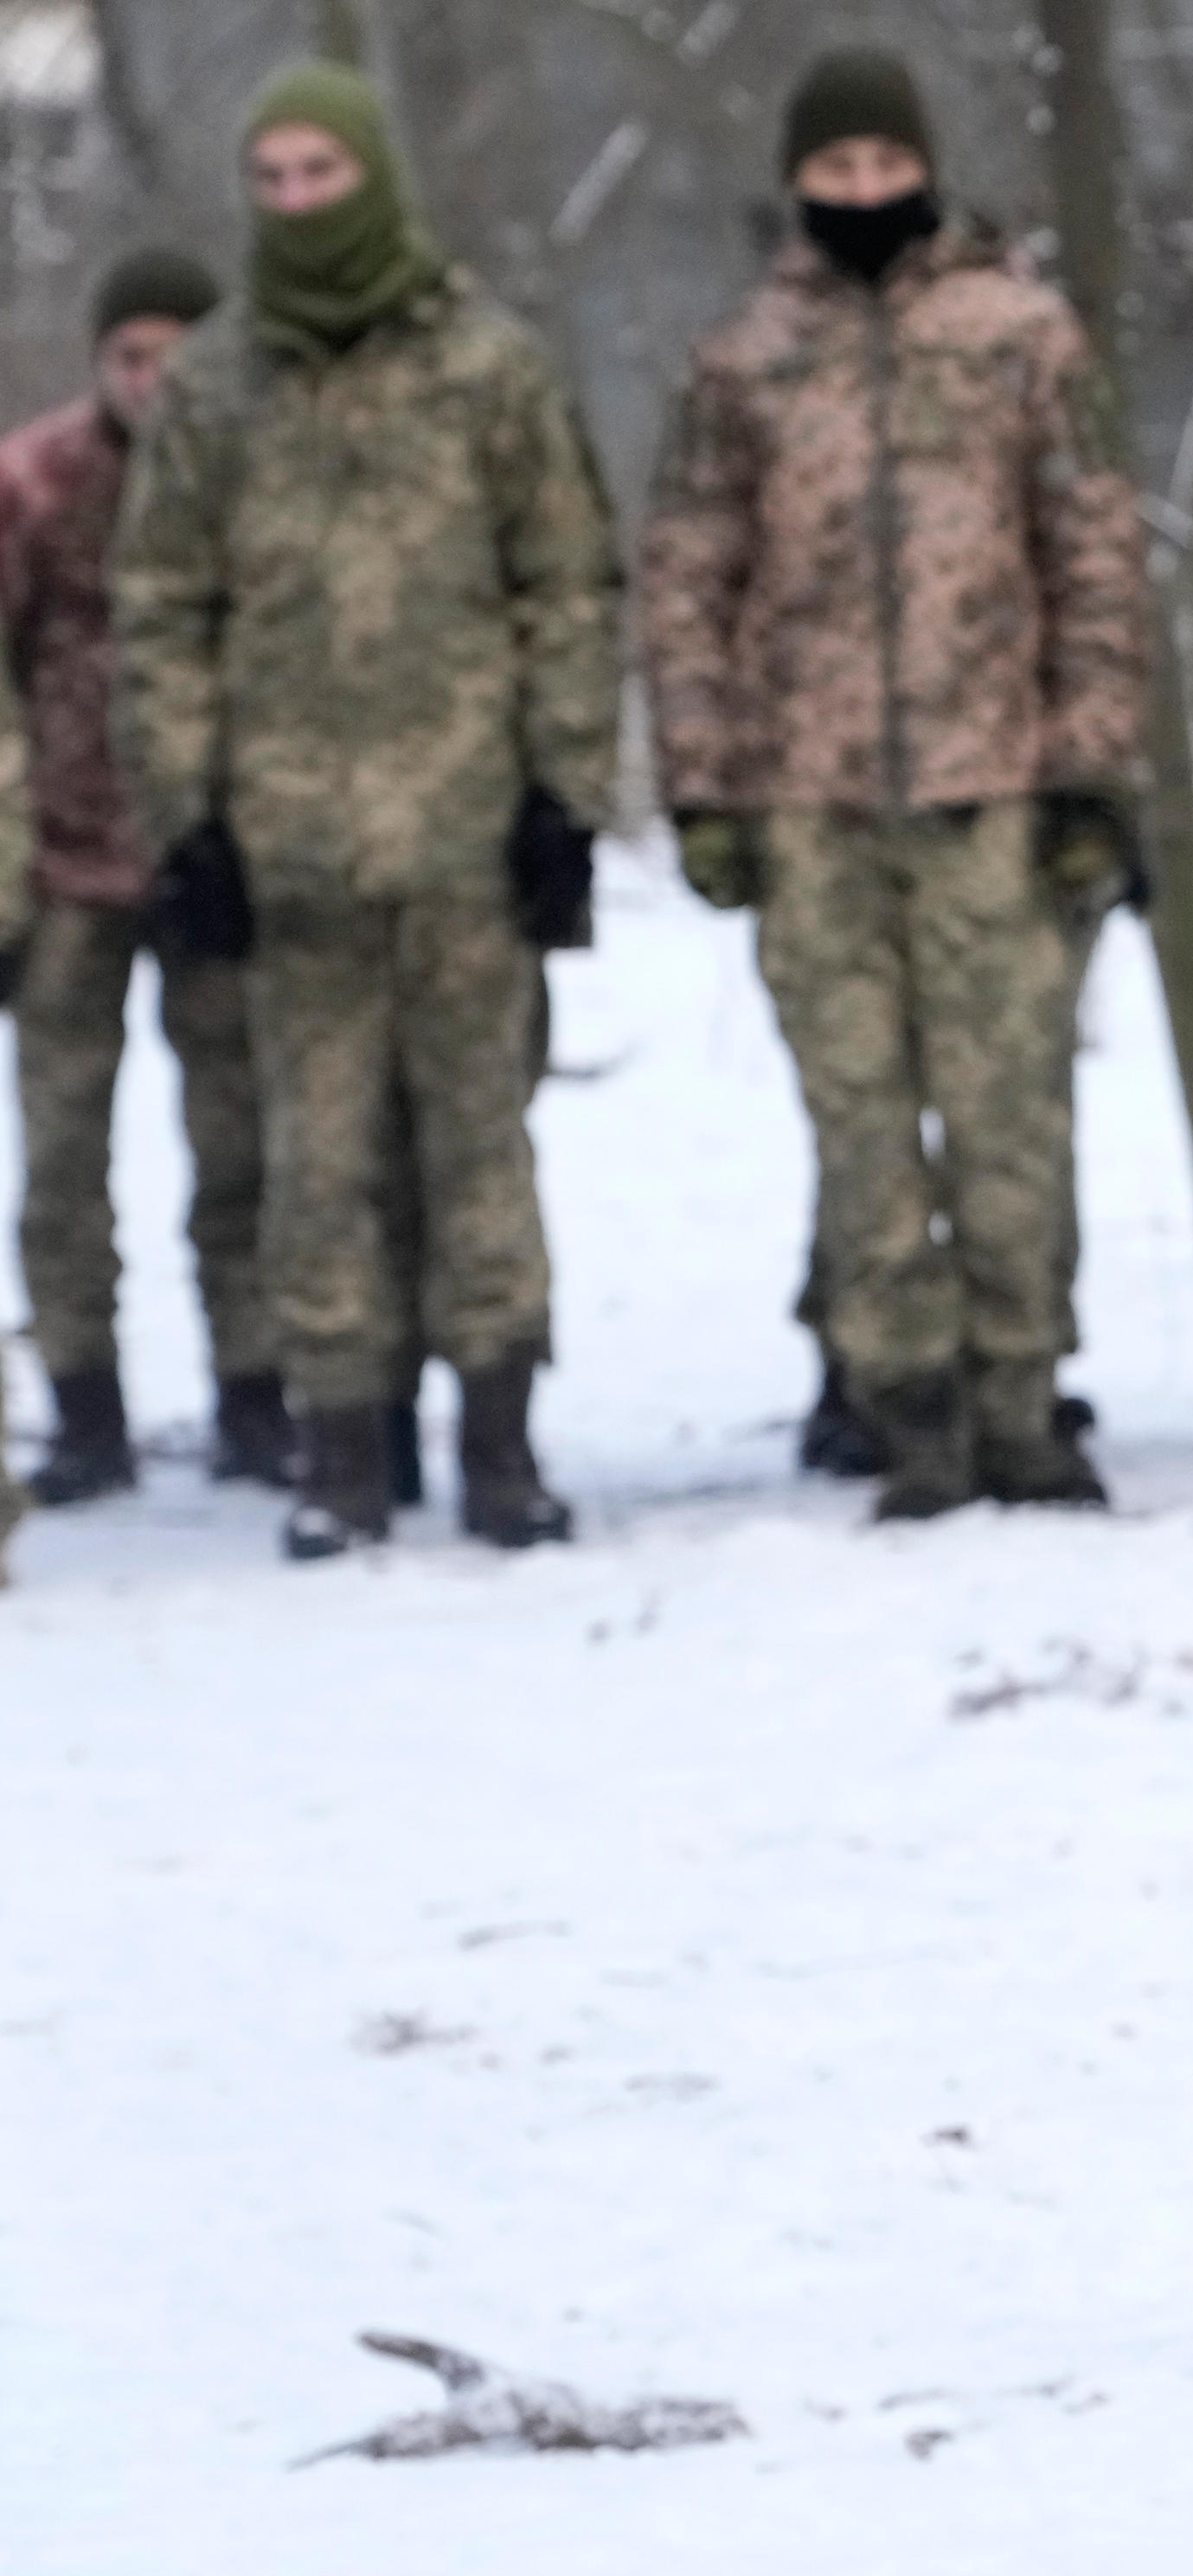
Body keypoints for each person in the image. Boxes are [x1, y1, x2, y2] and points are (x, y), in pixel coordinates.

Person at [112, 61, 619, 1560]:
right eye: (268, 182)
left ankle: (501, 1443)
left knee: (481, 1147)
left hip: (468, 839)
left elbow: (566, 584)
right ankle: (341, 1447)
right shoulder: (212, 388)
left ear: (372, 179)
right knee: (314, 1160)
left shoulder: (486, 366)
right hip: (291, 857)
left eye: (317, 177)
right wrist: (187, 822)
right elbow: (162, 614)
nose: (294, 206)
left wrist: (563, 793)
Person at [638, 50, 1146, 1521]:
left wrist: (1090, 775)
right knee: (860, 1119)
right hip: (811, 808)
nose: (864, 192)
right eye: (835, 171)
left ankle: (1019, 1396)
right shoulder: (742, 358)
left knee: (1009, 1116)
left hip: (994, 794)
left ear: (923, 168)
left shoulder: (1021, 335)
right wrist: (706, 790)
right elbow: (686, 580)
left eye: (883, 166)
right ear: (799, 184)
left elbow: (1095, 557)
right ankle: (906, 1404)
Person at [5, 247, 287, 1505]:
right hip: (67, 868)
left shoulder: (257, 470)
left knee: (240, 1142)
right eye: (129, 357)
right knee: (65, 1157)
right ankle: (86, 1408)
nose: (149, 380)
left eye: (173, 356)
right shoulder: (35, 481)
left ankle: (256, 1393)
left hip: (209, 858)